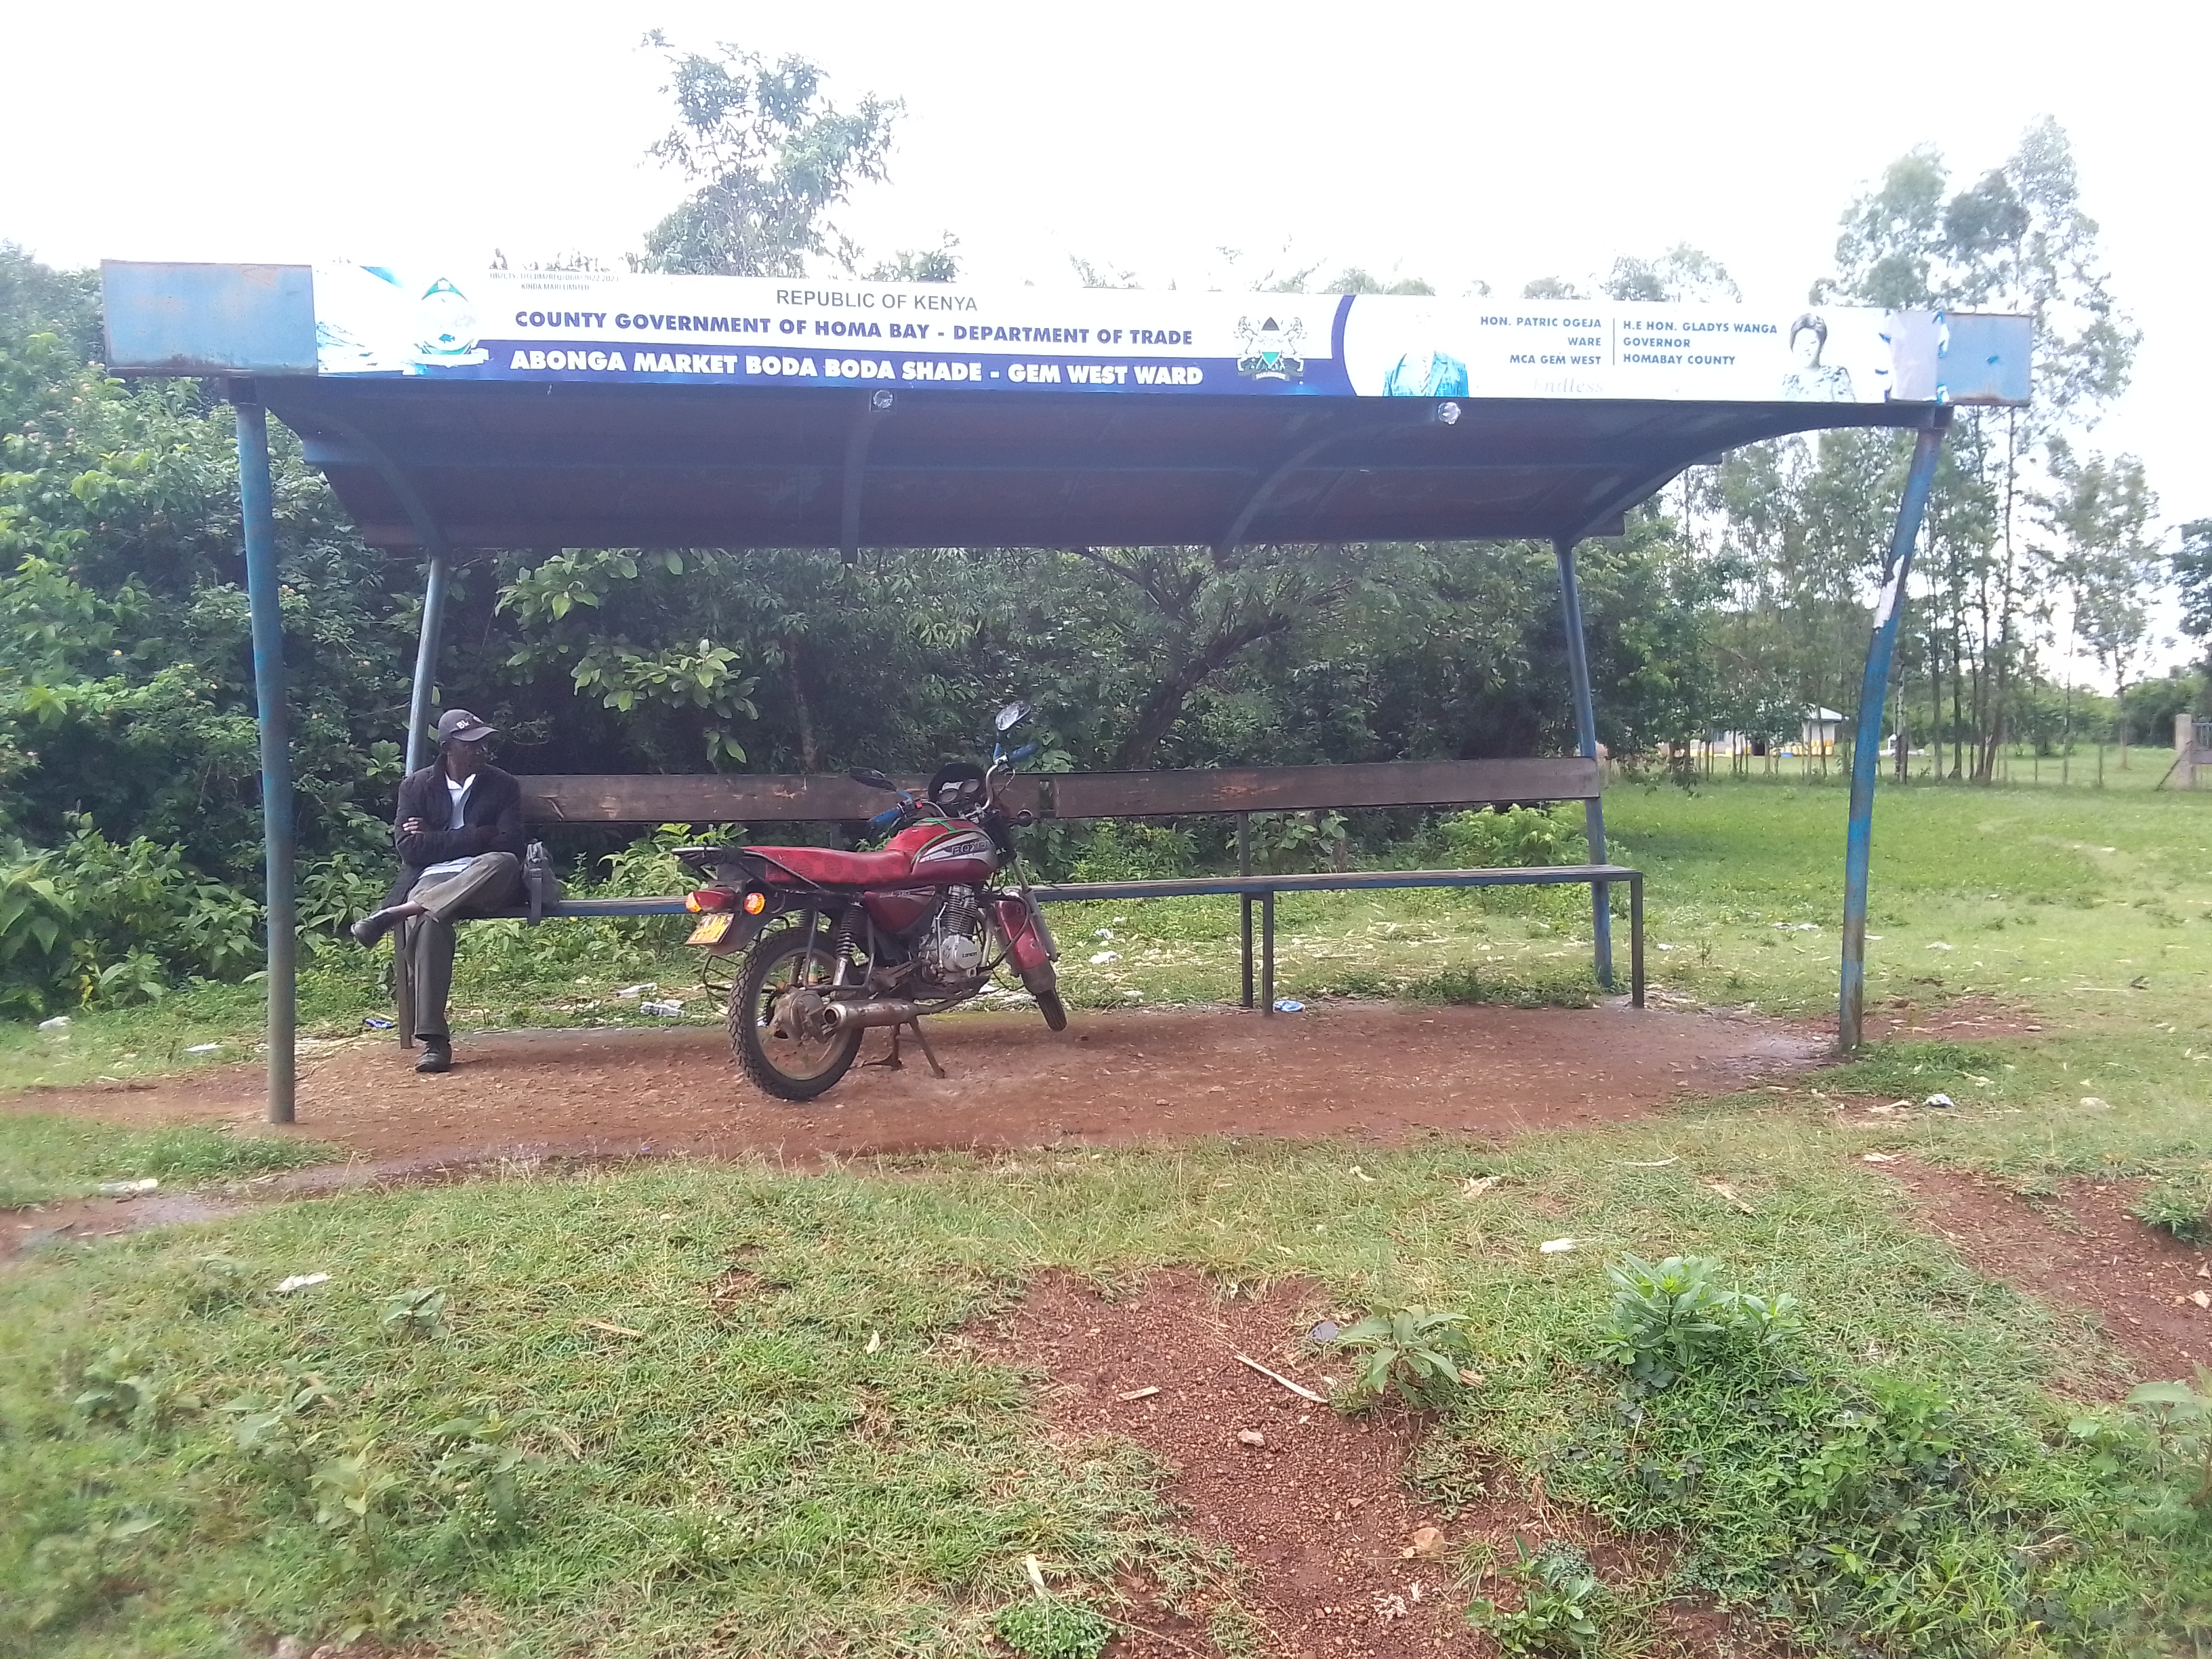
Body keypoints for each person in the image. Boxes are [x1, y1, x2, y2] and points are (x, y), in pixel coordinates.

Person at [349, 708, 525, 1072]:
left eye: (484, 744)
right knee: (429, 921)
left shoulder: (502, 784)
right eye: (471, 745)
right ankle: (434, 1042)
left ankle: (399, 912)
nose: (481, 751)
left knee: (502, 862)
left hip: (489, 878)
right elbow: (410, 849)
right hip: (434, 878)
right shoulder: (416, 787)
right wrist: (477, 835)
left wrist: (435, 836)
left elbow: (511, 844)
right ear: (447, 747)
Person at [1780, 313, 1854, 401]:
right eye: (1799, 343)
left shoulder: (1836, 376)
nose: (1805, 349)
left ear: (1821, 346)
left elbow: (1849, 413)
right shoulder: (1789, 383)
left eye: (1812, 343)